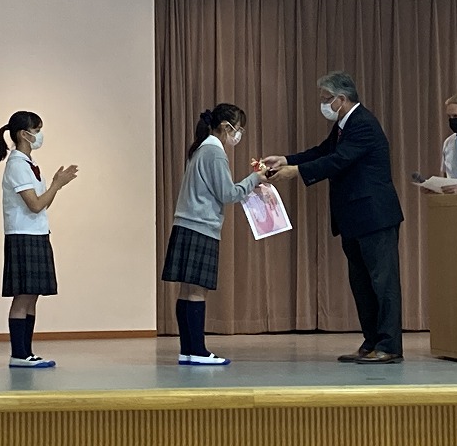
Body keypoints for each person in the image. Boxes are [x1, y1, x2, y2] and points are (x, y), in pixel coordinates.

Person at [265, 71, 404, 364]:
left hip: (375, 217)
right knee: (362, 284)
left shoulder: (363, 123)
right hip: (354, 218)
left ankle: (389, 346)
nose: (323, 105)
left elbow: (338, 161)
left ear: (341, 99)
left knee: (383, 283)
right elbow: (322, 151)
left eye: (326, 99)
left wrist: (296, 172)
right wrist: (286, 160)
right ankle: (371, 342)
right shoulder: (343, 125)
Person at [161, 104, 268, 366]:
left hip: (186, 224)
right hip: (201, 226)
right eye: (238, 129)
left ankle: (188, 350)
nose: (238, 135)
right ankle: (198, 351)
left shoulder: (201, 148)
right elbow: (228, 194)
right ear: (225, 127)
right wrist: (255, 178)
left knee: (187, 291)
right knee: (198, 292)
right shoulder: (215, 152)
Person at [0, 111, 78, 368]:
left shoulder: (28, 163)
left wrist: (54, 186)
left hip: (36, 232)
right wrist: (57, 184)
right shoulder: (17, 165)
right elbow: (35, 204)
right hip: (22, 235)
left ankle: (27, 352)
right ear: (23, 134)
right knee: (23, 296)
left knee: (32, 296)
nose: (39, 135)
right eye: (36, 130)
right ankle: (19, 354)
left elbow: (42, 204)